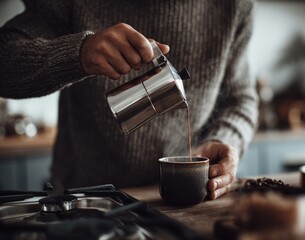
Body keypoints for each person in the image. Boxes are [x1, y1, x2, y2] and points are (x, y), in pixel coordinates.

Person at [0, 0, 258, 200]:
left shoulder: (234, 6)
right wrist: (80, 53)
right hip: (85, 202)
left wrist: (224, 140)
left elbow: (241, 99)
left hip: (185, 205)